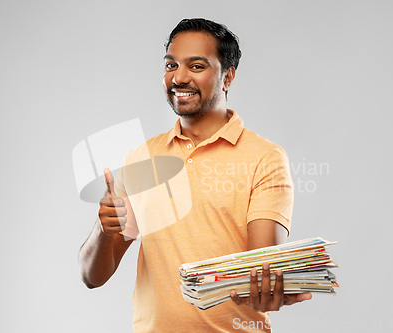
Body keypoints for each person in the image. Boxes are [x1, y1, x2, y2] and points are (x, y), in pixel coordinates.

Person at [78, 18, 311, 332]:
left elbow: (261, 269)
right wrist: (103, 229)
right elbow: (92, 276)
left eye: (197, 66)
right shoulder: (141, 159)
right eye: (171, 65)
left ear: (227, 76)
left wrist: (271, 286)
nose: (179, 77)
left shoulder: (264, 158)